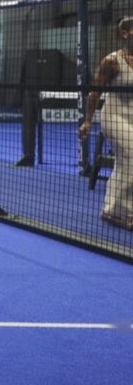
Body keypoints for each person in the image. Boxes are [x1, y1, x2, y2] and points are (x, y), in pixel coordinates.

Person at [79, 17, 133, 229]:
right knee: (132, 156)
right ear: (125, 34)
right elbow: (95, 92)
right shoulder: (112, 61)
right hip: (113, 117)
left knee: (124, 163)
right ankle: (125, 211)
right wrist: (88, 121)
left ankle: (111, 210)